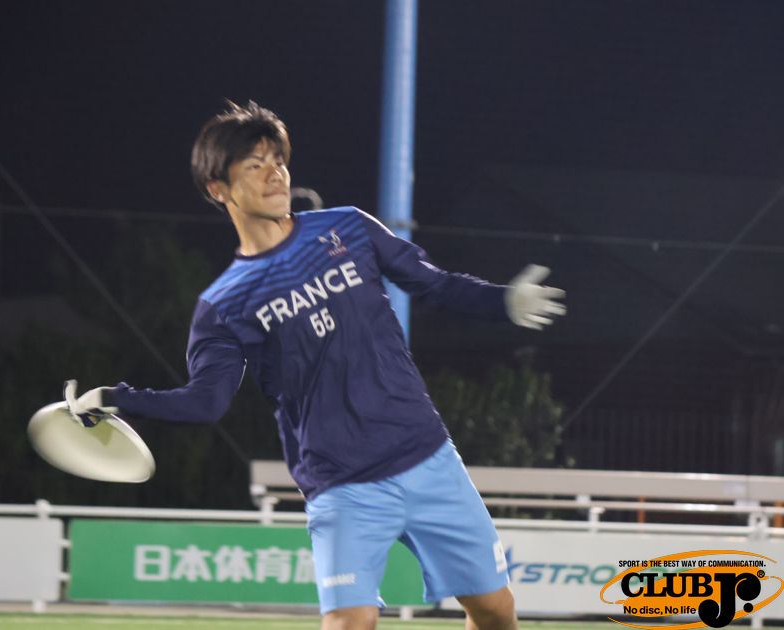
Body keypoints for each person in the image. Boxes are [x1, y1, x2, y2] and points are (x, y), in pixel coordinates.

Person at [69, 101, 566, 630]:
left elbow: (434, 284)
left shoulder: (348, 228)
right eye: (254, 165)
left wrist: (502, 300)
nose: (275, 173)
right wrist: (115, 398)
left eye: (277, 160)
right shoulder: (223, 304)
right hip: (342, 484)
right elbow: (205, 401)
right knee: (350, 623)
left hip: (427, 458)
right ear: (218, 189)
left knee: (495, 611)